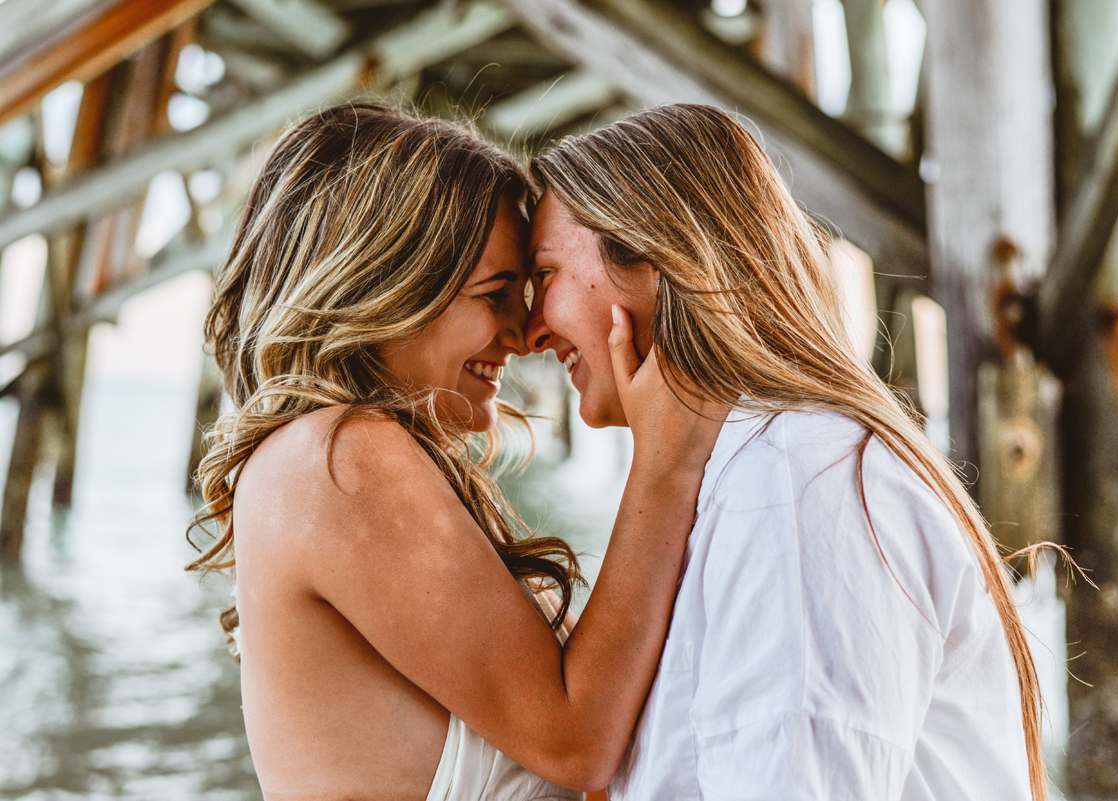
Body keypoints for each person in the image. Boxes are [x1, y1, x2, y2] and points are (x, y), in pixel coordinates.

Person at [186, 103, 723, 801]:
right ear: (385, 288)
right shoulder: (337, 457)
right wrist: (665, 461)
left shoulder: (326, 460)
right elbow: (576, 741)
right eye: (495, 294)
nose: (524, 332)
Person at [524, 103, 1048, 801]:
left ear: (652, 256)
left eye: (546, 273)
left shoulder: (793, 484)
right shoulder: (759, 467)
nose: (530, 328)